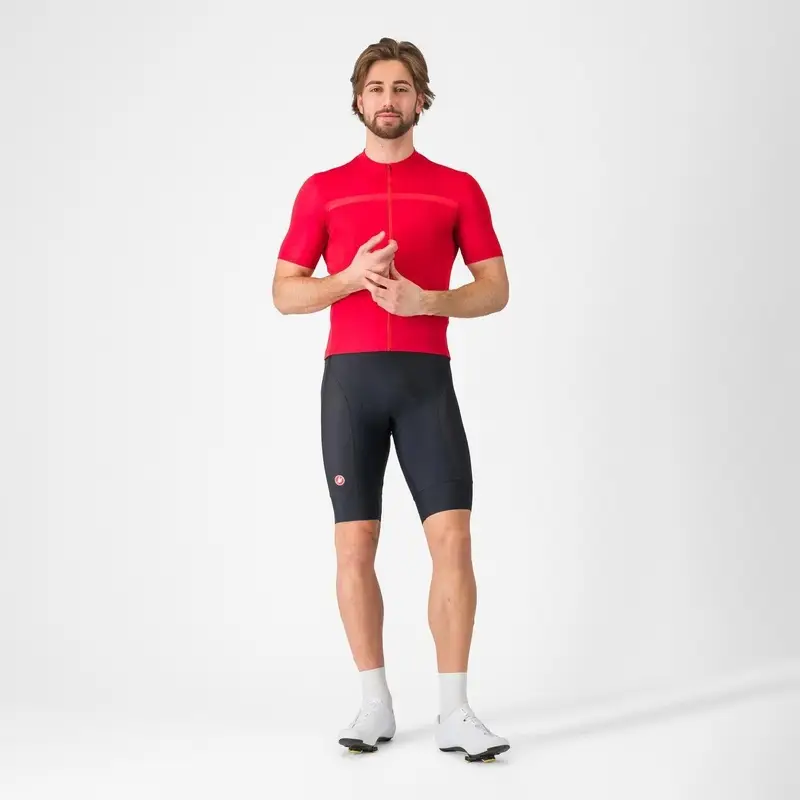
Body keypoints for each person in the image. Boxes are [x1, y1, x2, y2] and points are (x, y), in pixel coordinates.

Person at [272, 37, 511, 763]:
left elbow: (495, 288)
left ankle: (456, 711)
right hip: (350, 385)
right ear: (357, 99)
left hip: (425, 382)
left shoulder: (458, 187)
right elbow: (285, 293)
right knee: (354, 544)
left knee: (453, 539)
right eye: (375, 88)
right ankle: (374, 702)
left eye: (401, 87)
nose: (388, 99)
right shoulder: (322, 190)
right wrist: (348, 278)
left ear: (420, 99)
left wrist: (425, 300)